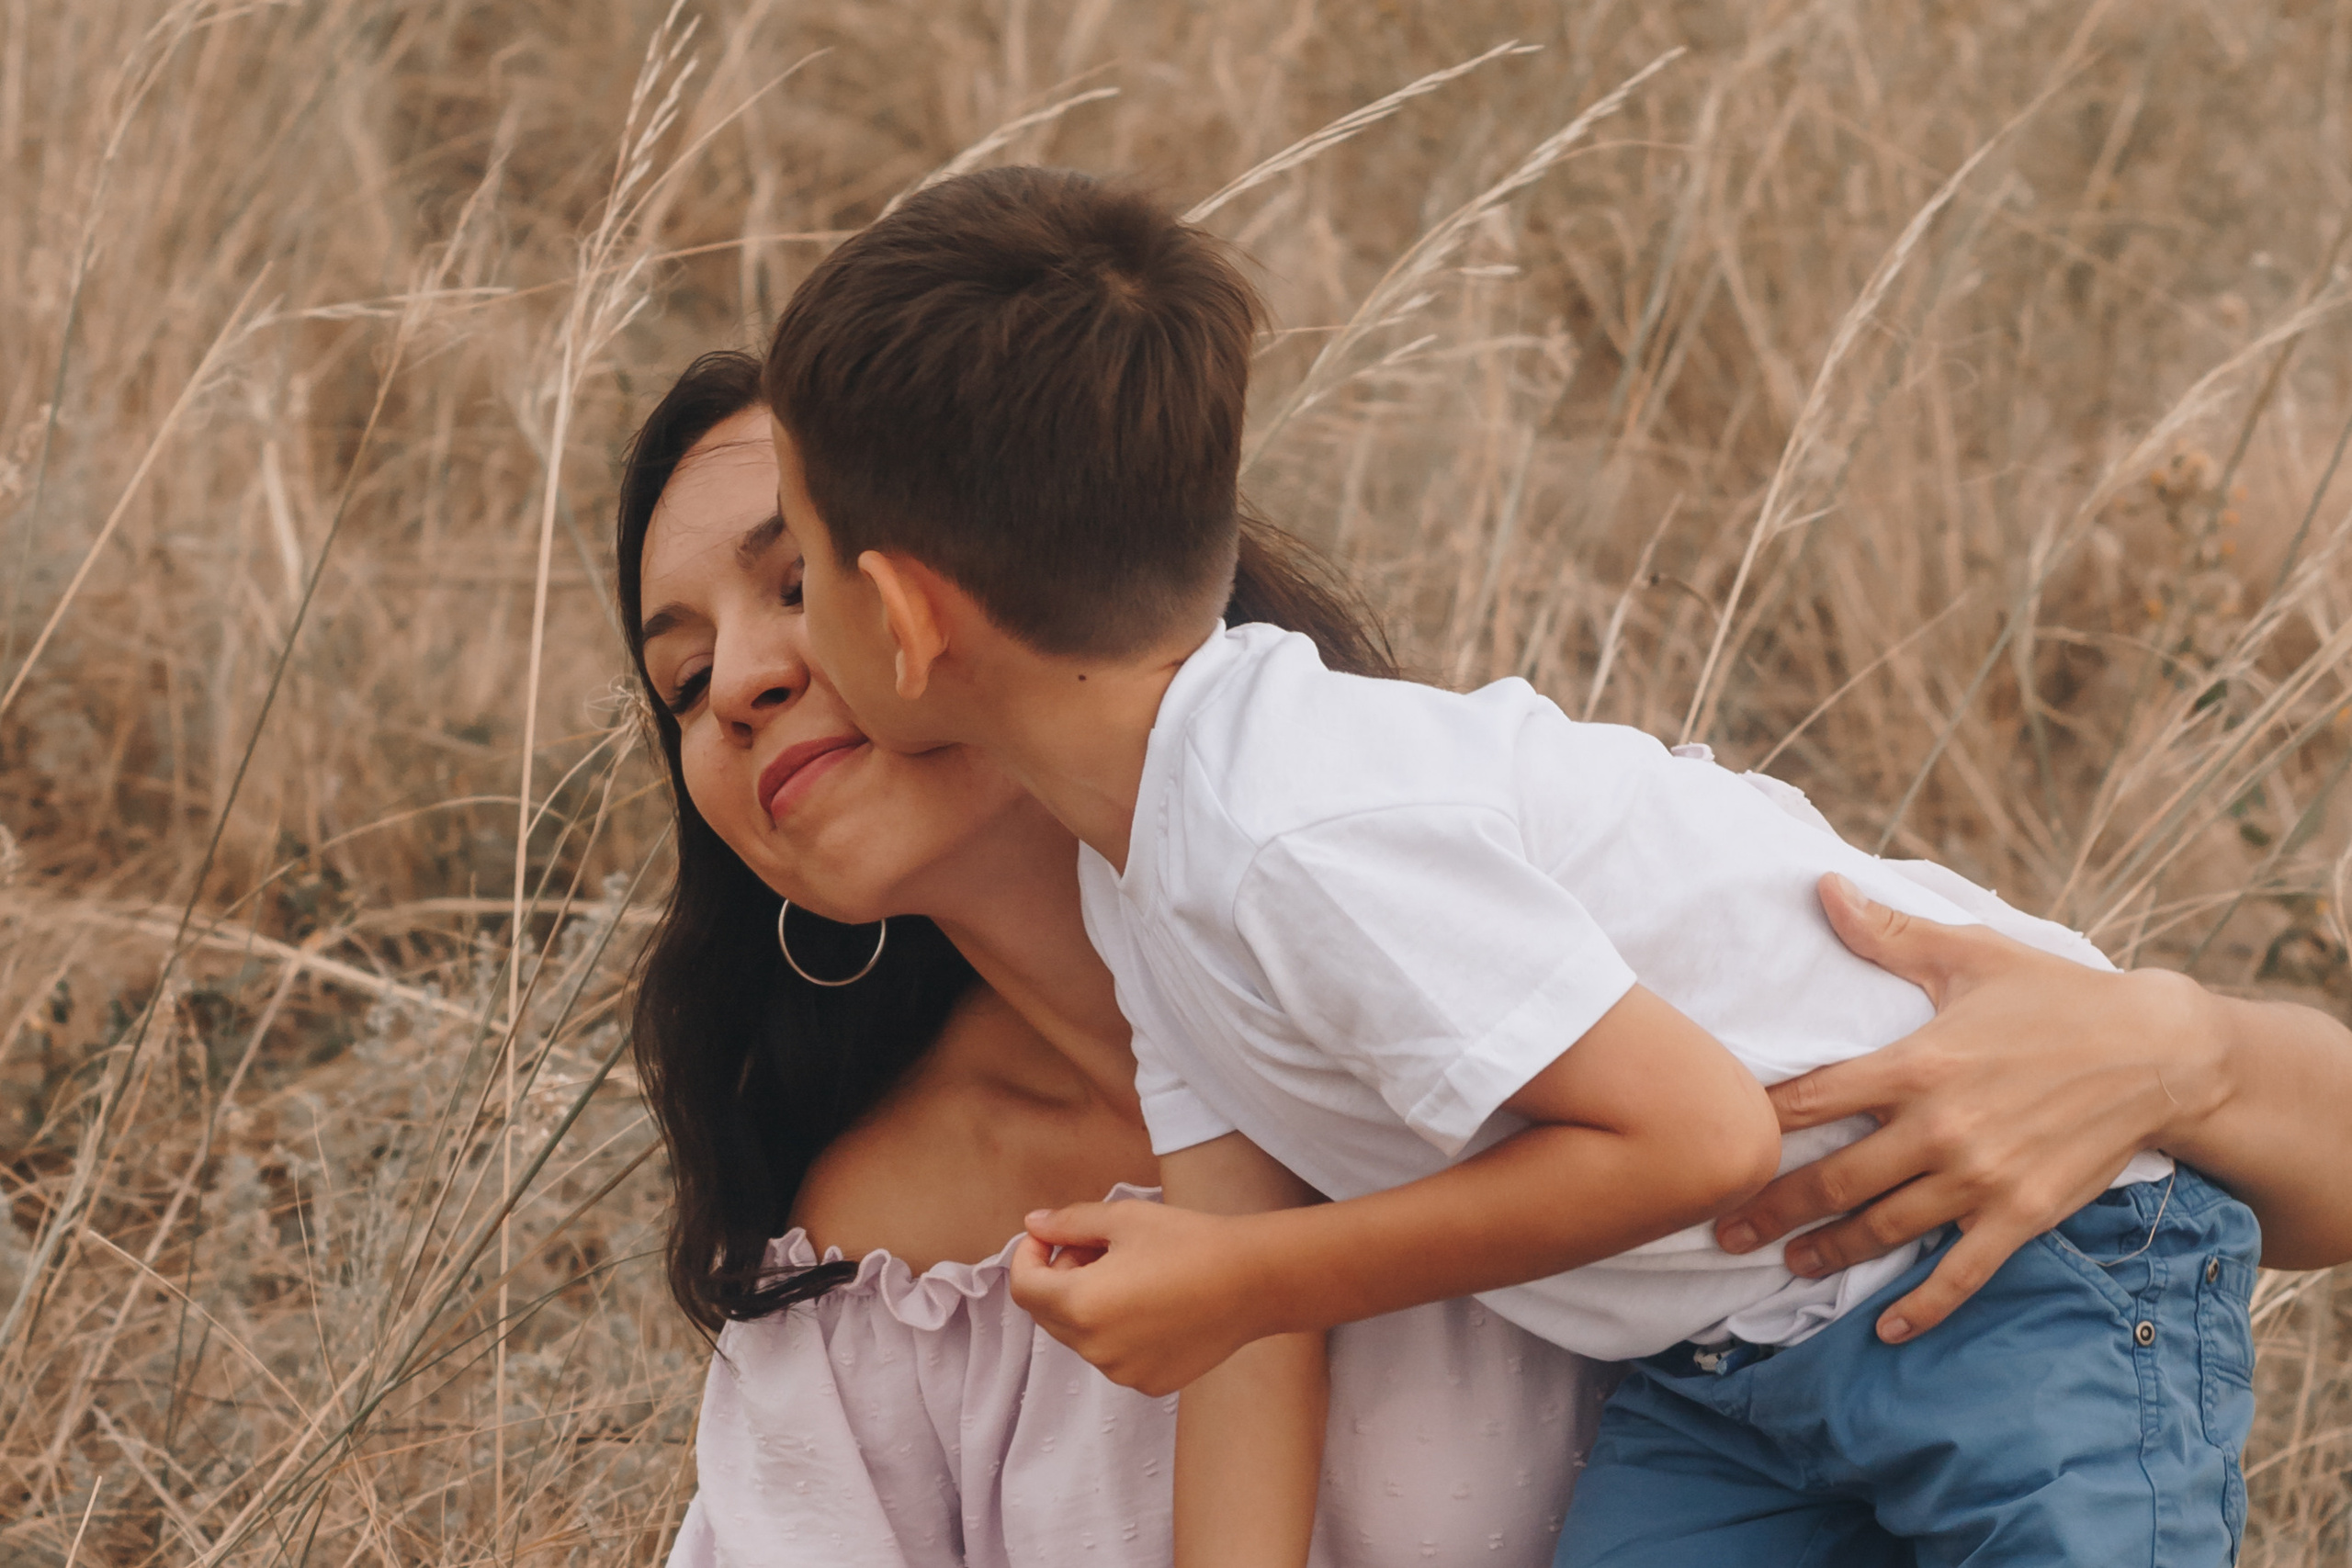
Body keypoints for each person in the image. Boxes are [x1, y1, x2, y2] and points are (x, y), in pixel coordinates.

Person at [750, 165, 2335, 1567]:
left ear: (900, 614)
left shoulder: (1294, 824)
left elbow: (1694, 1135)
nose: (790, 639)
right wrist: (1243, 1283)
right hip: (1728, 1363)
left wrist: (1251, 1275)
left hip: (2013, 1261)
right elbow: (1245, 1255)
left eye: (799, 571)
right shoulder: (1144, 870)